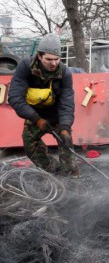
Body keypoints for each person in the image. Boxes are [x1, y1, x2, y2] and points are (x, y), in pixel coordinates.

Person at [8, 33, 79, 177]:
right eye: (48, 59)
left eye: (57, 59)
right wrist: (37, 119)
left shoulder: (64, 72)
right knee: (30, 144)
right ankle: (54, 172)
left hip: (57, 116)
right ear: (39, 56)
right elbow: (15, 98)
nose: (53, 63)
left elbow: (67, 102)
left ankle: (71, 176)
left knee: (66, 144)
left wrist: (65, 127)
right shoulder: (25, 67)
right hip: (35, 115)